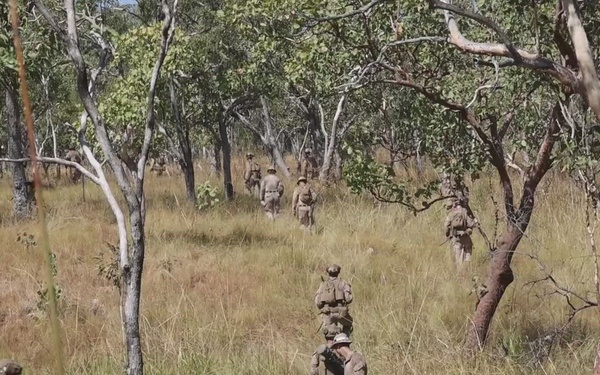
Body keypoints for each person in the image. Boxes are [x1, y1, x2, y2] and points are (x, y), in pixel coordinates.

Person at [314, 264, 353, 336]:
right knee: (348, 324)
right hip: (341, 313)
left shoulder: (323, 284)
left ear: (328, 273)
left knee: (329, 334)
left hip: (328, 313)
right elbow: (348, 299)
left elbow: (317, 302)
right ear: (338, 273)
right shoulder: (343, 283)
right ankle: (344, 338)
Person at [444, 199, 477, 265]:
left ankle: (460, 273)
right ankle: (466, 272)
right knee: (467, 259)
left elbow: (446, 226)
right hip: (466, 238)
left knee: (458, 260)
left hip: (456, 239)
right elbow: (471, 224)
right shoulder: (465, 211)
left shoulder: (451, 213)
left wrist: (447, 235)